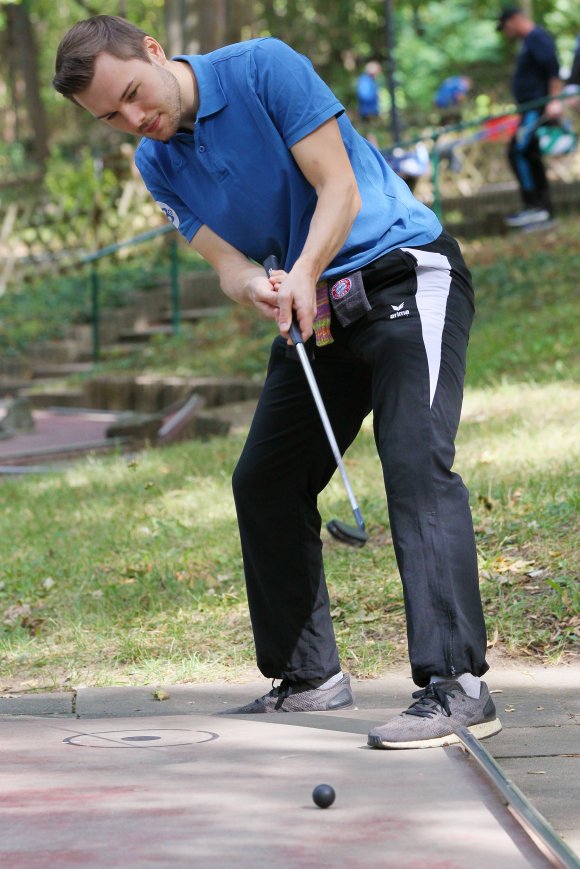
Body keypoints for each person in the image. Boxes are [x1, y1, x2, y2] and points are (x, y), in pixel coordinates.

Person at [53, 16, 502, 750]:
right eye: (112, 116)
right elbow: (225, 261)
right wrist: (254, 286)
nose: (137, 120)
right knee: (264, 478)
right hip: (314, 307)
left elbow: (340, 189)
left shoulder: (264, 68)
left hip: (400, 274)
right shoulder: (156, 163)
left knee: (415, 459)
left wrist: (301, 270)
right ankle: (309, 677)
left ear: (156, 54)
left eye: (134, 93)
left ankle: (459, 683)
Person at [497, 5, 563, 228]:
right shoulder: (528, 42)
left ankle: (536, 205)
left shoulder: (536, 37)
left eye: (506, 27)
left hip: (536, 108)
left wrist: (554, 100)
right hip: (528, 109)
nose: (506, 33)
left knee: (519, 151)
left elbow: (553, 70)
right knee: (529, 153)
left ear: (515, 20)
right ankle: (540, 208)